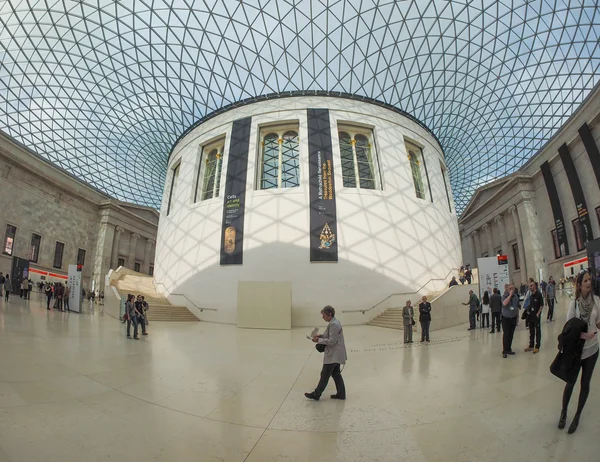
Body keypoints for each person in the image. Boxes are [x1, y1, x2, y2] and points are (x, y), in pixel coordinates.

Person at [559, 271, 600, 434]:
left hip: (592, 350)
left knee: (585, 384)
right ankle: (564, 412)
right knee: (570, 383)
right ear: (580, 284)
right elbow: (569, 329)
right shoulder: (574, 304)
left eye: (590, 280)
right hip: (576, 352)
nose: (589, 283)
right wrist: (584, 335)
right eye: (586, 280)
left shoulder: (597, 301)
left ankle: (577, 416)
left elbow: (597, 323)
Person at [305, 306, 347, 401]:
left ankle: (317, 394)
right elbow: (329, 335)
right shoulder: (333, 323)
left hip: (334, 354)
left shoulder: (334, 324)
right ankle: (341, 393)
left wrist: (318, 340)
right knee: (336, 374)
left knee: (325, 374)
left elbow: (332, 341)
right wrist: (320, 336)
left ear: (329, 314)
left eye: (323, 315)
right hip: (335, 354)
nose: (322, 317)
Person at [524, 280, 544, 354]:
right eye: (529, 286)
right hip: (531, 316)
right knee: (531, 331)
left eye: (531, 285)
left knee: (537, 331)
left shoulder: (539, 294)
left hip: (536, 316)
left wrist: (538, 313)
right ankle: (531, 345)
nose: (530, 287)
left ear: (535, 286)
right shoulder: (531, 295)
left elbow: (541, 305)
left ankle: (537, 346)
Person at [501, 284, 520, 358]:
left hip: (513, 317)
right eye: (510, 289)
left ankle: (509, 349)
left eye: (513, 288)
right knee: (506, 334)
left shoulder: (515, 297)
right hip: (506, 318)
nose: (512, 290)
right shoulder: (504, 296)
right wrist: (509, 295)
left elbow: (516, 307)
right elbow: (504, 303)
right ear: (507, 289)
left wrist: (517, 317)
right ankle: (504, 350)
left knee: (511, 334)